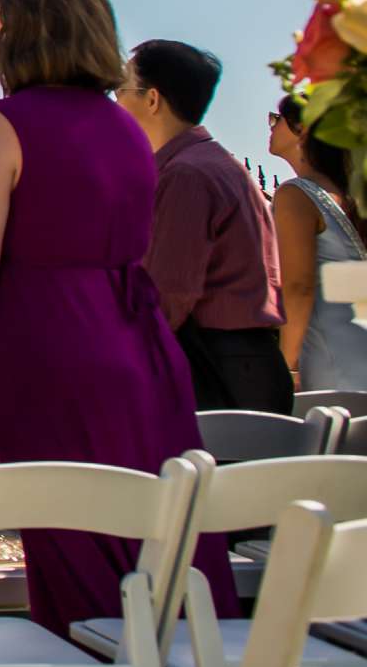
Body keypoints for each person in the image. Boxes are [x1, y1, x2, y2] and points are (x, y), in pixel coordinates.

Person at [0, 0, 233, 667]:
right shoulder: (122, 124)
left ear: (24, 26)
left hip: (49, 344)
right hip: (136, 344)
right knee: (157, 548)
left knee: (71, 557)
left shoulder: (1, 124)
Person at [119, 40, 290, 414]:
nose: (115, 101)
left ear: (152, 100)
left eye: (121, 88)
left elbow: (167, 295)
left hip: (214, 369)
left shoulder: (185, 175)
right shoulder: (215, 163)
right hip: (245, 363)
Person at [270, 95, 367, 390]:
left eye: (277, 119)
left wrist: (285, 366)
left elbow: (298, 287)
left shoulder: (295, 195)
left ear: (302, 128)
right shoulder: (350, 195)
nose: (271, 127)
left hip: (334, 361)